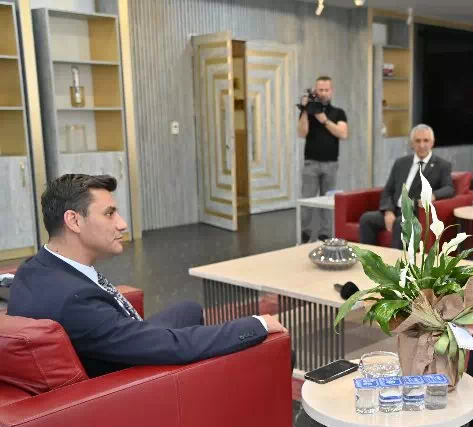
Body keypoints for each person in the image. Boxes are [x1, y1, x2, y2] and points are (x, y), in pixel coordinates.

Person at [8, 174, 288, 378]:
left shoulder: (34, 268)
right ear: (74, 220)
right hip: (128, 382)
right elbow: (175, 346)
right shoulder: (75, 302)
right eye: (109, 214)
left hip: (113, 341)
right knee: (276, 349)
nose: (122, 224)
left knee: (188, 310)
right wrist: (258, 323)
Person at [358, 124, 455, 249]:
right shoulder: (401, 163)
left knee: (401, 223)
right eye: (418, 141)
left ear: (432, 143)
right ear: (412, 143)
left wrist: (433, 196)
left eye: (426, 141)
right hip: (395, 210)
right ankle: (369, 258)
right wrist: (388, 211)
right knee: (366, 219)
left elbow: (449, 188)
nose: (422, 145)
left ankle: (395, 261)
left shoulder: (442, 165)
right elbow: (388, 190)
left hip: (416, 213)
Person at [297, 75, 348, 243]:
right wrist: (305, 110)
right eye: (320, 90)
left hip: (331, 164)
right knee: (307, 201)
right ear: (315, 91)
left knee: (328, 202)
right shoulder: (309, 113)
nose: (323, 93)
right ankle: (304, 234)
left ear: (331, 91)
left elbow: (343, 134)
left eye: (326, 90)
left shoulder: (338, 112)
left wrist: (324, 120)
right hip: (310, 163)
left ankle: (325, 234)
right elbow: (301, 133)